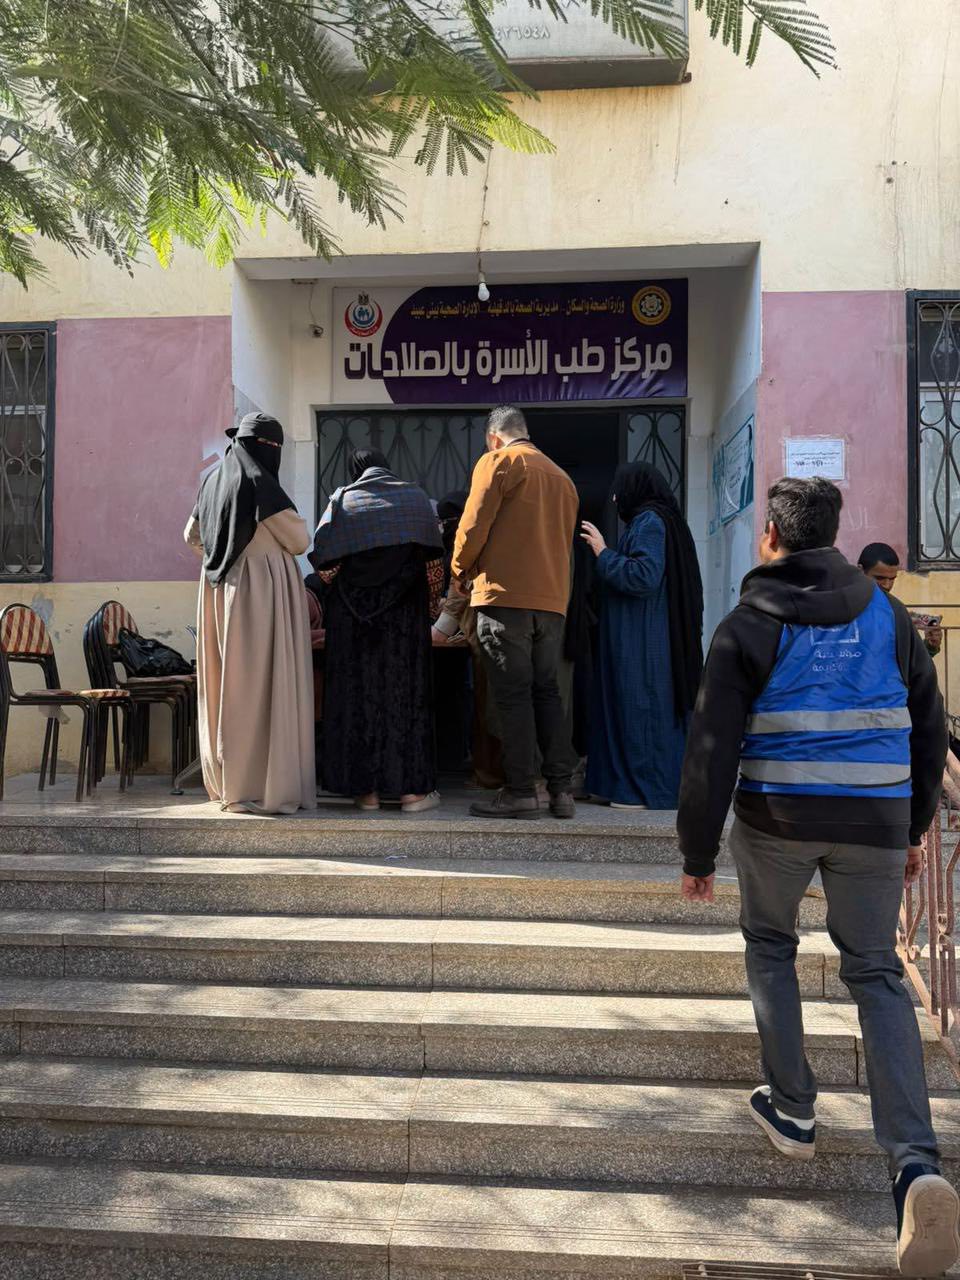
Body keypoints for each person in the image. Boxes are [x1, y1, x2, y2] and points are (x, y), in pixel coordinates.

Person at [678, 477, 957, 1278]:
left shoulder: (747, 623)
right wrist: (912, 827)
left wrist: (698, 853)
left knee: (771, 943)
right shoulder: (888, 616)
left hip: (779, 822)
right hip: (874, 823)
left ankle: (794, 1109)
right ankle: (914, 1164)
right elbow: (929, 725)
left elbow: (710, 746)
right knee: (876, 973)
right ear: (835, 536)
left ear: (769, 535)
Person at [451, 405, 579, 819]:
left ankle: (522, 791)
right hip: (552, 604)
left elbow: (473, 525)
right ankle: (560, 792)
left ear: (494, 437)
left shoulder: (498, 462)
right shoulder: (563, 479)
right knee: (547, 693)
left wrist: (459, 569)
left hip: (505, 599)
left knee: (512, 697)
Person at [184, 412, 315, 814]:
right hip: (258, 596)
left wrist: (221, 556)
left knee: (227, 684)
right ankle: (260, 785)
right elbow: (299, 540)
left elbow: (190, 536)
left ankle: (229, 781)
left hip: (217, 592)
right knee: (259, 686)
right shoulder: (261, 482)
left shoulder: (211, 481)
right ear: (268, 449)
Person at [312, 448, 443, 813]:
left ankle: (365, 793)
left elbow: (324, 567)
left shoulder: (341, 501)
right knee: (404, 700)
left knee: (357, 700)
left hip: (353, 623)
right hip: (404, 621)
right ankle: (411, 794)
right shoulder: (416, 498)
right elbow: (433, 566)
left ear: (356, 472)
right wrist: (431, 611)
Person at [581, 462, 703, 808]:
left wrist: (603, 553)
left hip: (644, 641)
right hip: (644, 636)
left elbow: (644, 576)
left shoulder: (650, 522)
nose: (615, 498)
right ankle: (624, 786)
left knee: (641, 711)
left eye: (619, 489)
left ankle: (643, 792)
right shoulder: (657, 520)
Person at [859, 542, 943, 658]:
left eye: (892, 579)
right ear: (861, 571)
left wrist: (930, 646)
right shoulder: (844, 607)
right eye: (880, 578)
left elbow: (907, 660)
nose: (887, 585)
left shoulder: (896, 611)